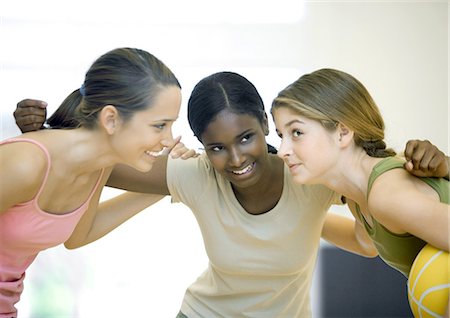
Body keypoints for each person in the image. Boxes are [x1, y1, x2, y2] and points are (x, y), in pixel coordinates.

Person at [14, 72, 449, 317]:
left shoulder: (311, 177)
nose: (236, 158)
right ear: (202, 146)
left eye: (246, 137)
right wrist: (45, 135)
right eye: (216, 147)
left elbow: (366, 231)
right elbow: (99, 158)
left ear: (264, 126)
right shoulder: (198, 174)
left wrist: (439, 166)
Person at [0, 47, 189, 318]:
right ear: (111, 119)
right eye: (160, 126)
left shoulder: (98, 167)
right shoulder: (26, 163)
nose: (169, 139)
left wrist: (169, 186)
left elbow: (79, 236)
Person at [271, 68, 449, 314]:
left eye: (297, 133)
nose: (283, 150)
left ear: (343, 132)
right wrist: (298, 214)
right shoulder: (360, 198)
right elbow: (364, 243)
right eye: (281, 136)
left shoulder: (386, 194)